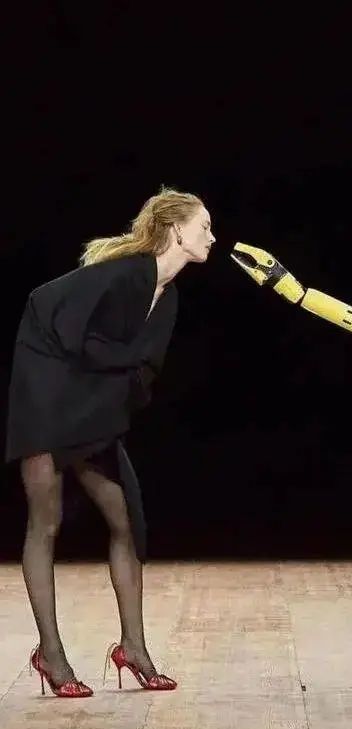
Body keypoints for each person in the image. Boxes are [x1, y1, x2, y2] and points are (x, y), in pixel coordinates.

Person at [5, 186, 215, 697]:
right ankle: (51, 656)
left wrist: (114, 385)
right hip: (47, 398)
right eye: (204, 227)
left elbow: (144, 368)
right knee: (46, 521)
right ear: (176, 230)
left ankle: (133, 648)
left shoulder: (168, 296)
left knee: (127, 522)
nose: (212, 236)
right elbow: (45, 305)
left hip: (89, 407)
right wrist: (103, 365)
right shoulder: (124, 272)